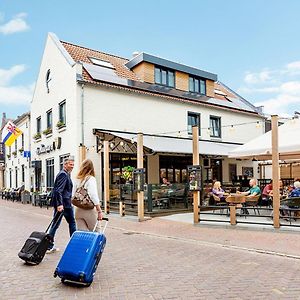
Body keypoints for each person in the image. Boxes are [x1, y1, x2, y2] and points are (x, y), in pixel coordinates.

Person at [47, 156, 76, 253]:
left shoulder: (65, 174)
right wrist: (59, 204)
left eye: (73, 164)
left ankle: (49, 245)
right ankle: (73, 243)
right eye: (70, 164)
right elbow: (58, 190)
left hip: (65, 204)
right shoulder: (63, 174)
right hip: (64, 205)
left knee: (57, 224)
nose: (72, 166)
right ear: (65, 165)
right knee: (69, 223)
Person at [73, 159, 103, 231]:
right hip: (89, 210)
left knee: (82, 235)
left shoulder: (76, 179)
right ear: (91, 168)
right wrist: (99, 210)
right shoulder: (91, 179)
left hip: (78, 210)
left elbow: (72, 194)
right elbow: (93, 195)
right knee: (97, 233)